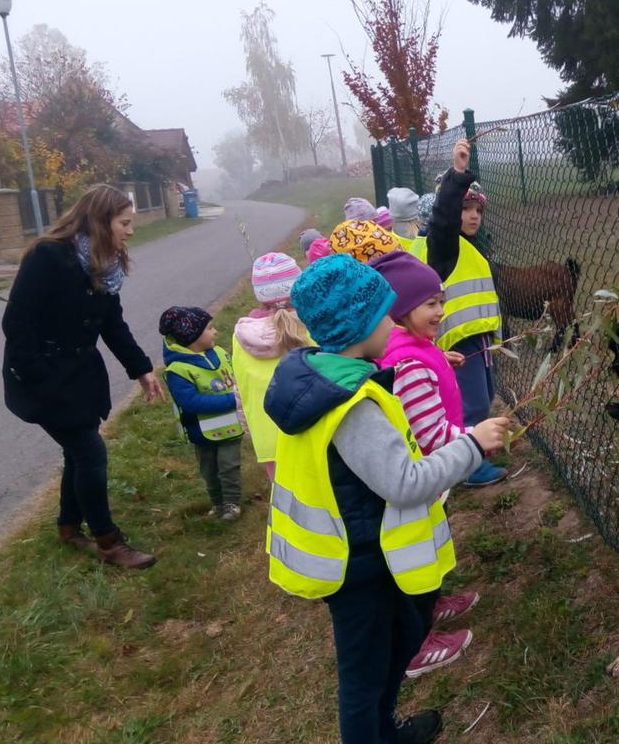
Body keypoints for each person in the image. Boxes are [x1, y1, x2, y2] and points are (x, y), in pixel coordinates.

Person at [263, 254, 512, 744]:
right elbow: (403, 482)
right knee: (364, 676)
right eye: (384, 313)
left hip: (363, 553)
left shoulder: (326, 373)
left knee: (389, 654)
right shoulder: (351, 406)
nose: (391, 322)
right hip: (356, 565)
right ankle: (372, 733)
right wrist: (472, 444)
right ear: (359, 324)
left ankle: (384, 731)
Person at [1, 183, 163, 568]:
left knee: (78, 451)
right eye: (124, 222)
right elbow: (17, 323)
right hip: (43, 378)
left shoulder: (104, 264)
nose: (130, 230)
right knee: (90, 451)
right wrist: (37, 376)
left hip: (81, 378)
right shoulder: (47, 256)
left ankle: (69, 528)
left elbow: (113, 325)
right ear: (100, 220)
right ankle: (108, 542)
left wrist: (141, 369)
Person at [370, 250, 482, 676]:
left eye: (441, 300)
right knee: (414, 557)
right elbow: (430, 434)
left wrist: (441, 359)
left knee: (430, 542)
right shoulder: (410, 362)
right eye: (431, 303)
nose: (442, 310)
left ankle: (431, 603)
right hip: (424, 475)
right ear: (400, 309)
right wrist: (476, 440)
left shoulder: (413, 348)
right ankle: (416, 642)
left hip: (429, 476)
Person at [411, 138, 507, 487]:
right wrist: (458, 175)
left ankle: (473, 452)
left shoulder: (471, 248)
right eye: (466, 208)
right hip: (458, 341)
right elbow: (442, 221)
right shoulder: (443, 245)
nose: (473, 216)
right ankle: (468, 467)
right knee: (471, 404)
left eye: (478, 210)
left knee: (485, 396)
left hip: (477, 338)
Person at [160, 306, 245, 520]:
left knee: (229, 466)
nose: (215, 331)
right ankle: (217, 503)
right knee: (209, 470)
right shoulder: (178, 370)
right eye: (209, 328)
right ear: (192, 336)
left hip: (231, 427)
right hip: (201, 432)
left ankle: (232, 503)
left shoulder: (218, 353)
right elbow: (191, 402)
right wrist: (231, 400)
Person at [232, 252, 310, 481]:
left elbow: (240, 387)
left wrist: (248, 426)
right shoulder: (311, 327)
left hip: (267, 438)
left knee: (286, 502)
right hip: (309, 430)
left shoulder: (241, 337)